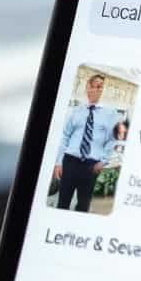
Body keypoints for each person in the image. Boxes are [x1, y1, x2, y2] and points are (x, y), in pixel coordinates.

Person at [52, 74, 118, 212]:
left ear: (102, 89)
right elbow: (65, 136)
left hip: (91, 165)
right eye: (92, 86)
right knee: (62, 204)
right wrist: (58, 162)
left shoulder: (110, 114)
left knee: (83, 206)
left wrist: (103, 161)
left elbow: (111, 140)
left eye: (99, 87)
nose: (95, 90)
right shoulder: (76, 111)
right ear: (87, 88)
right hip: (69, 161)